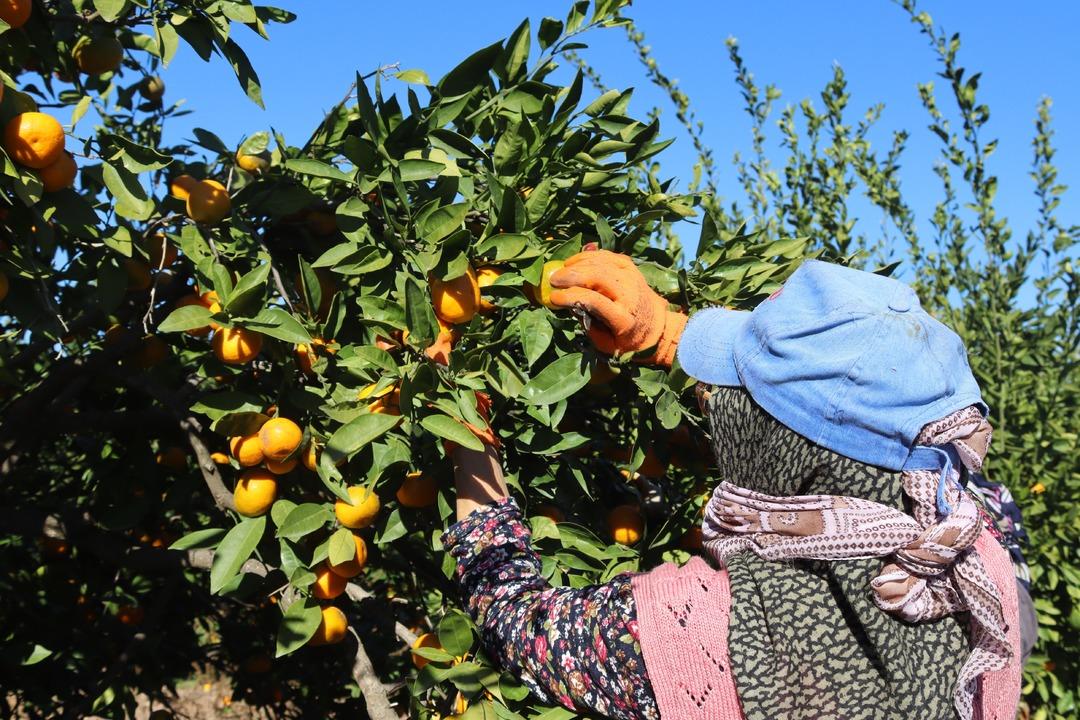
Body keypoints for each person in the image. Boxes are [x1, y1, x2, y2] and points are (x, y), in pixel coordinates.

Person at [442, 253, 1027, 720]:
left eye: (739, 399)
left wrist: (457, 417)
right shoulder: (979, 551)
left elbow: (515, 615)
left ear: (763, 440)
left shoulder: (708, 639)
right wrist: (666, 333)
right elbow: (828, 434)